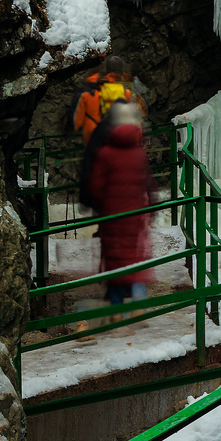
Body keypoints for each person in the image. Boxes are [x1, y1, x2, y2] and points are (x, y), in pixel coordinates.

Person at [82, 102, 155, 306]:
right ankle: (139, 303)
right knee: (135, 256)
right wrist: (152, 210)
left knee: (115, 259)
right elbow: (150, 184)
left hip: (112, 217)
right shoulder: (139, 154)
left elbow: (96, 186)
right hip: (135, 216)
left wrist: (101, 206)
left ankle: (116, 306)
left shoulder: (105, 153)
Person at [74, 56, 148, 144]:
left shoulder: (97, 87)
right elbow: (143, 112)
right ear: (122, 69)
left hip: (103, 137)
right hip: (128, 137)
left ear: (107, 69)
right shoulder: (129, 90)